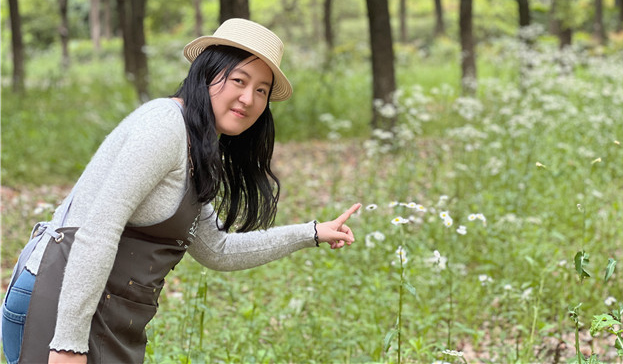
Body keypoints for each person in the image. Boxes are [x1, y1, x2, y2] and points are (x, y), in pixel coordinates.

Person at [1, 18, 361, 364]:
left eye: (262, 90)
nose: (249, 98)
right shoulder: (163, 128)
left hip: (104, 310)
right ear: (207, 73)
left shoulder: (199, 148)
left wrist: (311, 233)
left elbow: (216, 249)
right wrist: (68, 343)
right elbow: (99, 230)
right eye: (239, 79)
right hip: (56, 301)